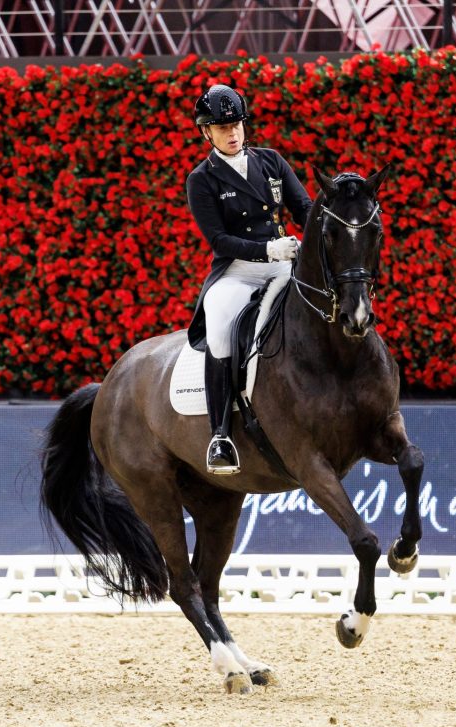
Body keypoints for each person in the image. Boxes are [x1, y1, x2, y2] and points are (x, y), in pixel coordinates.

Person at [185, 84, 312, 476]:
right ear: (207, 133)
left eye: (236, 123)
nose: (233, 132)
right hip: (237, 272)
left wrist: (316, 245)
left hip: (284, 266)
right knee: (221, 324)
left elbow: (304, 207)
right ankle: (220, 434)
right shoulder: (202, 179)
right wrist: (267, 250)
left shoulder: (271, 161)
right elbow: (219, 240)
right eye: (222, 128)